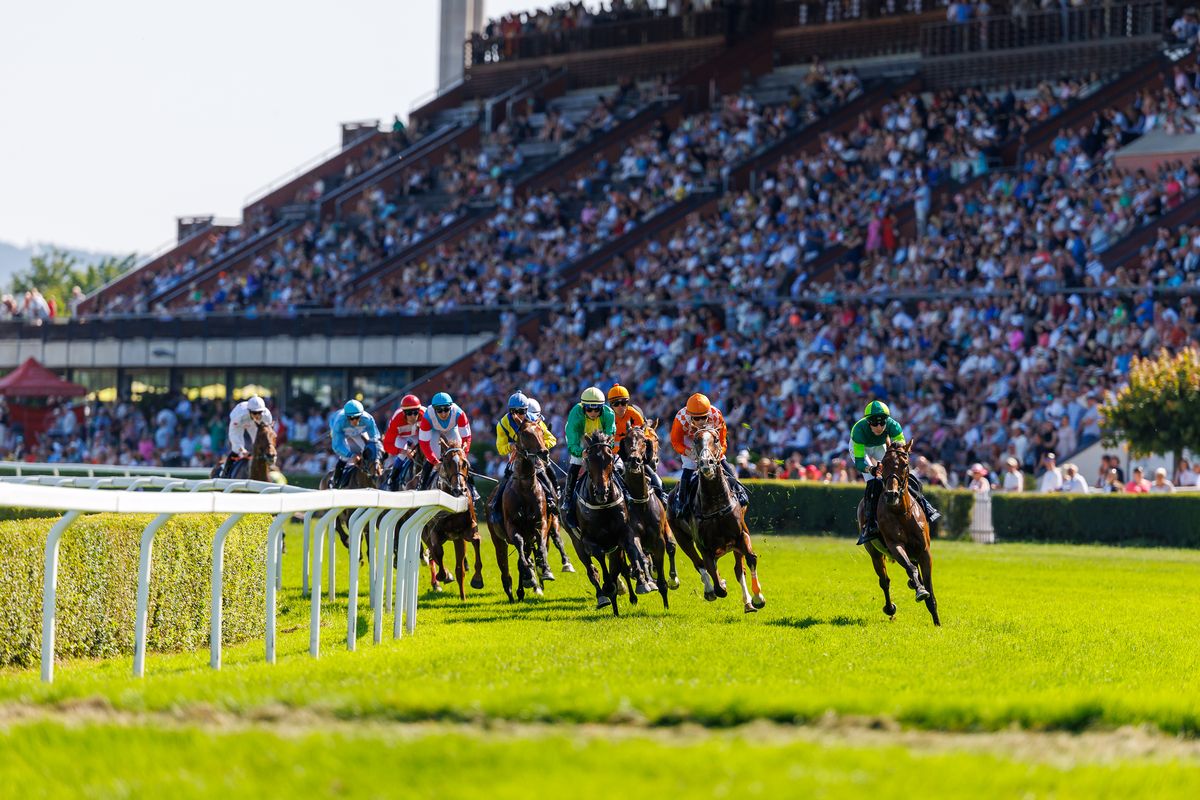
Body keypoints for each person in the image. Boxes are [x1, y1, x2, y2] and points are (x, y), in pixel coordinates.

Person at [849, 400, 941, 546]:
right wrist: (871, 469)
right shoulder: (858, 431)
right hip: (862, 449)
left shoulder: (894, 426)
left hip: (880, 446)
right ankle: (870, 524)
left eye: (882, 423)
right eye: (874, 423)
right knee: (874, 481)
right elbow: (860, 463)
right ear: (867, 422)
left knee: (901, 475)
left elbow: (902, 451)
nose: (879, 427)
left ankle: (926, 506)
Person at [669, 392, 749, 520]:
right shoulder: (681, 418)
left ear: (708, 414)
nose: (701, 421)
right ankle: (681, 502)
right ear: (690, 415)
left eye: (704, 417)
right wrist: (688, 452)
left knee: (723, 461)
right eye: (696, 418)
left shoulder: (716, 415)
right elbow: (675, 441)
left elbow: (722, 440)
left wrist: (718, 454)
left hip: (709, 441)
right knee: (689, 466)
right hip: (689, 441)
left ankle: (739, 490)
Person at [489, 391, 559, 524]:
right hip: (515, 458)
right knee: (507, 477)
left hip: (534, 457)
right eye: (514, 412)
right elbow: (500, 448)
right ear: (509, 411)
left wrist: (540, 446)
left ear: (527, 410)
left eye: (522, 411)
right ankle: (496, 506)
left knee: (542, 472)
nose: (518, 415)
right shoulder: (502, 424)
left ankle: (552, 499)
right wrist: (511, 446)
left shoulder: (535, 421)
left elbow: (552, 439)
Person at [562, 386, 616, 531]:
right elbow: (572, 444)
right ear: (583, 407)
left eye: (597, 409)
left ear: (602, 408)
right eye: (589, 409)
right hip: (580, 437)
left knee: (610, 461)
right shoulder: (576, 415)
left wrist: (604, 450)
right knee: (576, 462)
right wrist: (581, 452)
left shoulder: (609, 414)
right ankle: (568, 499)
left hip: (600, 438)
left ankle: (625, 493)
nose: (593, 413)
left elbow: (610, 438)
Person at [608, 382, 665, 500]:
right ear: (611, 405)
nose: (620, 407)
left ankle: (662, 497)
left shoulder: (634, 414)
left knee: (657, 482)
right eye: (616, 404)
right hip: (614, 456)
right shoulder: (607, 417)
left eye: (624, 403)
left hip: (634, 455)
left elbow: (645, 436)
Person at [417, 391, 476, 498]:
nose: (443, 414)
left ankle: (473, 489)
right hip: (434, 431)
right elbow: (424, 443)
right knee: (433, 457)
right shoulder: (427, 417)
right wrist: (435, 462)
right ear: (434, 409)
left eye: (446, 409)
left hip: (452, 430)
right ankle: (421, 486)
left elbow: (466, 438)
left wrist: (464, 454)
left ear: (451, 407)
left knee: (460, 459)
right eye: (439, 410)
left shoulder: (459, 413)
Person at [329, 399, 382, 488]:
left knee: (369, 451)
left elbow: (375, 439)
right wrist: (351, 455)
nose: (354, 421)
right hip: (342, 431)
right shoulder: (339, 422)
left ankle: (373, 475)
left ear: (361, 415)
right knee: (345, 457)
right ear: (346, 416)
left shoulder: (368, 419)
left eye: (357, 417)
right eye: (351, 418)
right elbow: (337, 446)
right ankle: (335, 482)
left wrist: (376, 458)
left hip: (358, 431)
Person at [221, 395, 272, 478]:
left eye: (260, 412)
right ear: (249, 411)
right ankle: (225, 473)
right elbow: (234, 435)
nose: (257, 416)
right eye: (255, 413)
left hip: (254, 424)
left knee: (260, 447)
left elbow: (266, 435)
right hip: (239, 424)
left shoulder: (267, 416)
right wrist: (241, 449)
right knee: (236, 450)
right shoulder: (239, 415)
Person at [382, 394, 423, 491]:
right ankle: (392, 480)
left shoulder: (425, 415)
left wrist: (415, 449)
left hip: (418, 436)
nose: (413, 416)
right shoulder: (396, 419)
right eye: (409, 413)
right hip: (402, 437)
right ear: (403, 413)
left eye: (415, 412)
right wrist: (402, 451)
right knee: (402, 456)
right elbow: (387, 445)